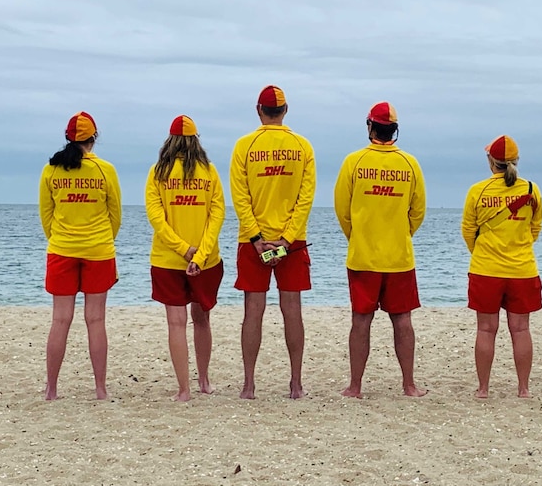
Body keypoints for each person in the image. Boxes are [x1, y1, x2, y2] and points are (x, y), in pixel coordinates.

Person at [334, 101, 428, 398]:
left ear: (370, 126)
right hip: (399, 255)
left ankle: (356, 386)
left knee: (361, 320)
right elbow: (418, 211)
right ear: (395, 131)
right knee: (402, 319)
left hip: (363, 255)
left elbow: (342, 209)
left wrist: (357, 235)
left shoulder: (354, 161)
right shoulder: (410, 163)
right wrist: (402, 233)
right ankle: (409, 385)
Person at [229, 85, 316, 399]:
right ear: (286, 110)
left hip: (254, 241)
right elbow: (305, 199)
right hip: (292, 241)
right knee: (292, 310)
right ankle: (296, 383)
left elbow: (241, 198)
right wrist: (287, 239)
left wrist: (256, 239)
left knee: (253, 311)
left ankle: (249, 384)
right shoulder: (302, 146)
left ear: (258, 110)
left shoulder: (244, 146)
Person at [38, 111, 121, 400]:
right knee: (95, 320)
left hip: (61, 249)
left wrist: (62, 239)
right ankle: (100, 388)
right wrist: (100, 240)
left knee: (60, 320)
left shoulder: (51, 170)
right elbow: (116, 215)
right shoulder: (105, 170)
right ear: (93, 138)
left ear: (67, 138)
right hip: (98, 250)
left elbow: (46, 216)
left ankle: (51, 389)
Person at [145, 115, 225, 402]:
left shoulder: (158, 173)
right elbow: (217, 216)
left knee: (176, 323)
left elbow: (157, 219)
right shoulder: (209, 171)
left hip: (168, 259)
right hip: (206, 259)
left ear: (170, 141)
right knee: (201, 319)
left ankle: (184, 389)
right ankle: (204, 380)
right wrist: (200, 253)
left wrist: (183, 250)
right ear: (196, 141)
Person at [461, 135, 542, 399]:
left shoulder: (478, 191)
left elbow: (468, 231)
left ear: (491, 162)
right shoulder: (531, 189)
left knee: (486, 329)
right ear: (516, 161)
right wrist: (518, 246)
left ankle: (483, 389)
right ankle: (523, 389)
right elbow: (535, 228)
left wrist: (483, 252)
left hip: (486, 269)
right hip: (522, 269)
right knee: (521, 329)